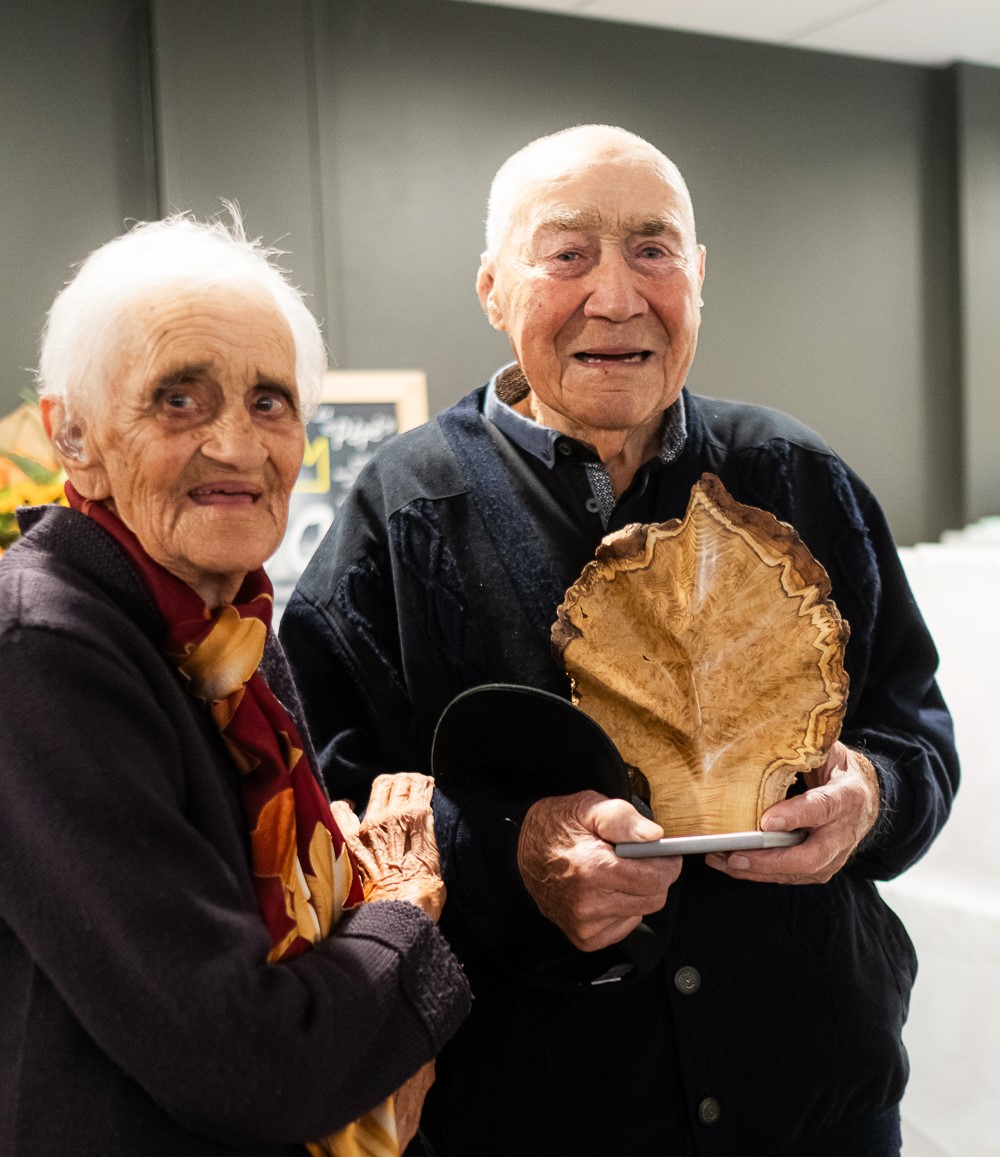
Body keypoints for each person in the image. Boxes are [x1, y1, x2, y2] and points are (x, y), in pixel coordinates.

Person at [279, 125, 959, 1156]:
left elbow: (916, 731)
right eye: (567, 252)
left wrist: (870, 796)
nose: (615, 294)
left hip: (816, 1105)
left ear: (696, 276)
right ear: (492, 290)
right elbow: (324, 806)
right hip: (536, 1113)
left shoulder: (798, 476)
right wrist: (511, 851)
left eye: (651, 247)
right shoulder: (403, 513)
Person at [0, 213, 471, 1157]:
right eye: (178, 398)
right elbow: (244, 1059)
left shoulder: (226, 630)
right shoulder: (44, 650)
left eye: (269, 401)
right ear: (73, 436)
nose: (236, 445)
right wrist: (403, 916)